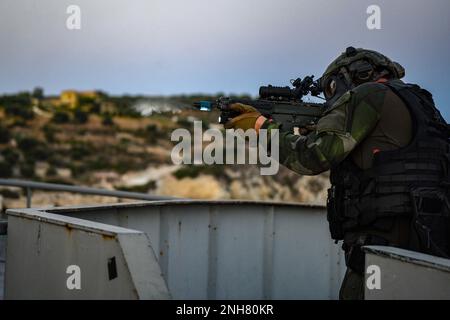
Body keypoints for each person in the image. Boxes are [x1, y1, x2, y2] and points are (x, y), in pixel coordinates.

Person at [224, 47, 450, 299]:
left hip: (383, 245)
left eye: (331, 87)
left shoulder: (368, 94)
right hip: (430, 241)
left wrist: (260, 128)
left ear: (356, 74)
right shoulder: (422, 102)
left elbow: (312, 157)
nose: (332, 97)